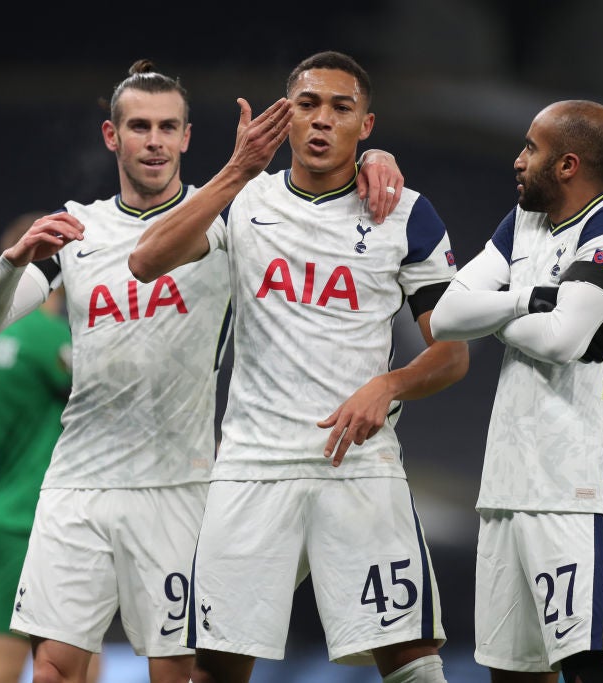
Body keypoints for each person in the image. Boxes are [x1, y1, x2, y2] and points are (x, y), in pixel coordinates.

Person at [0, 59, 406, 683]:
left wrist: (373, 155)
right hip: (77, 484)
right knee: (55, 669)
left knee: (178, 673)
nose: (154, 140)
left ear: (188, 137)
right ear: (112, 137)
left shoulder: (229, 218)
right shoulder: (79, 230)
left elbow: (316, 178)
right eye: (138, 126)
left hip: (180, 485)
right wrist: (12, 262)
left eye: (168, 126)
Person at [128, 51, 469, 683]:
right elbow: (146, 261)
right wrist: (235, 169)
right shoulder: (243, 199)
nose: (321, 121)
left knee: (412, 662)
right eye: (307, 105)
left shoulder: (405, 213)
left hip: (359, 467)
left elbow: (452, 354)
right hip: (254, 467)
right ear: (284, 117)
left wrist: (389, 385)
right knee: (214, 669)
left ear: (366, 126)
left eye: (341, 109)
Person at [429, 100, 603, 683]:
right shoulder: (522, 223)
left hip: (576, 488)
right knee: (512, 674)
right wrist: (529, 298)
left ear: (568, 164)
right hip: (504, 486)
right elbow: (446, 317)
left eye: (531, 147)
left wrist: (496, 314)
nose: (518, 159)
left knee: (591, 671)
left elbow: (560, 340)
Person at [0, 212, 101, 683]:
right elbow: (106, 398)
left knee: (78, 659)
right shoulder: (45, 337)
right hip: (30, 517)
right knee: (3, 671)